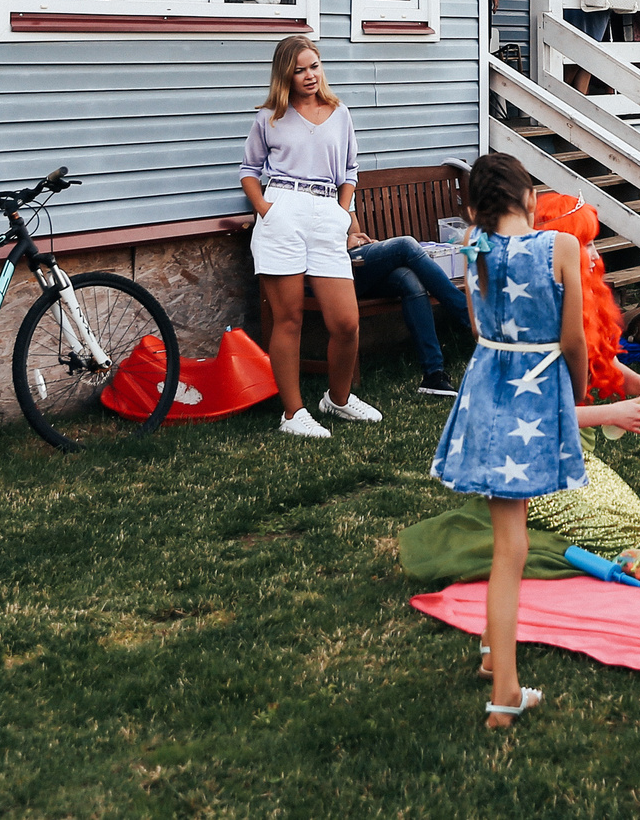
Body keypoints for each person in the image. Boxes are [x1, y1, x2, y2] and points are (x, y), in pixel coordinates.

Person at [430, 153, 589, 727]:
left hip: (485, 391)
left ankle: (493, 651)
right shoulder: (561, 248)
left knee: (505, 540)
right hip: (535, 388)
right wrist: (581, 386)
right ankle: (505, 693)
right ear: (529, 198)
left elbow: (477, 328)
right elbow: (572, 339)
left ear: (475, 207)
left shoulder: (473, 248)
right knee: (512, 551)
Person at [239, 37, 381, 436]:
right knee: (289, 319)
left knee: (346, 322)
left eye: (314, 66)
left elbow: (350, 171)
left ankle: (337, 400)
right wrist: (267, 210)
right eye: (300, 70)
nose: (309, 76)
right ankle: (293, 414)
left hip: (326, 212)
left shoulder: (339, 113)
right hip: (283, 208)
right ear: (286, 74)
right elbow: (249, 170)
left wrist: (342, 212)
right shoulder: (270, 117)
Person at [346, 223, 469, 398]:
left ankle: (433, 375)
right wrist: (344, 241)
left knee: (409, 281)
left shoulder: (342, 195)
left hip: (357, 262)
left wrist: (362, 241)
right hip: (334, 269)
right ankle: (469, 316)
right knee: (405, 245)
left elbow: (352, 228)